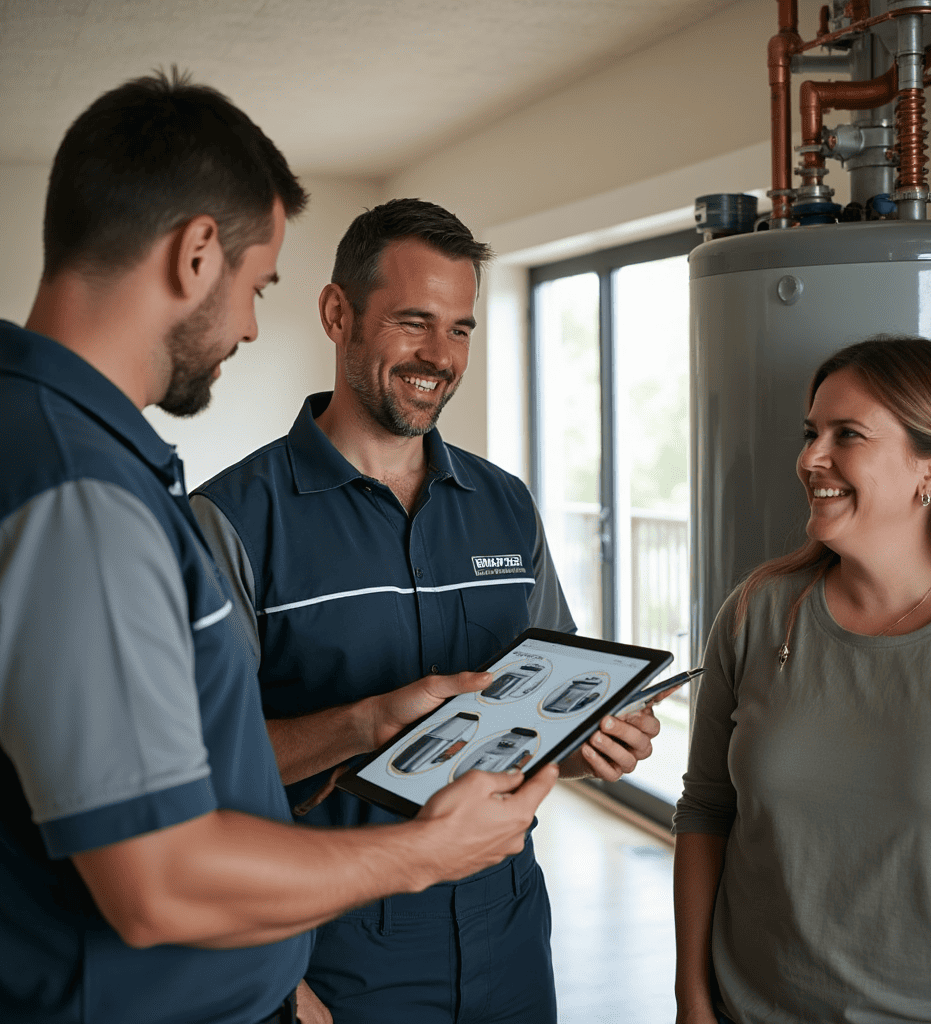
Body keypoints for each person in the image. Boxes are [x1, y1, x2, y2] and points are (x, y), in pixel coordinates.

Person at [0, 74, 559, 1024]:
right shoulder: (80, 491)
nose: (251, 325)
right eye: (257, 287)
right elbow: (157, 881)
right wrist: (419, 854)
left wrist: (377, 725)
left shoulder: (48, 445)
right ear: (196, 253)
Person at [191, 197, 663, 1023]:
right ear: (339, 314)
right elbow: (193, 777)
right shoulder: (230, 521)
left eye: (461, 329)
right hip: (330, 944)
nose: (439, 357)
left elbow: (543, 724)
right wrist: (365, 722)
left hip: (510, 927)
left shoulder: (506, 506)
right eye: (414, 322)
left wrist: (595, 743)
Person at [672, 335, 931, 1024]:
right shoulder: (758, 612)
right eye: (810, 432)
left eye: (846, 434)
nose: (809, 459)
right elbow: (706, 810)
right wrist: (693, 999)